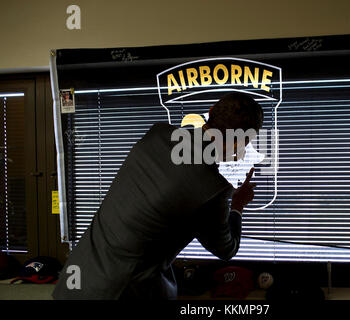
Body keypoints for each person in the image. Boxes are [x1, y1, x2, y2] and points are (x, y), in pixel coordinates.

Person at [52, 92, 263, 299]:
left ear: (209, 112)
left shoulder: (158, 133)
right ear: (239, 142)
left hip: (76, 278)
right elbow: (227, 249)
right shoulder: (213, 190)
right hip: (119, 292)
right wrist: (238, 205)